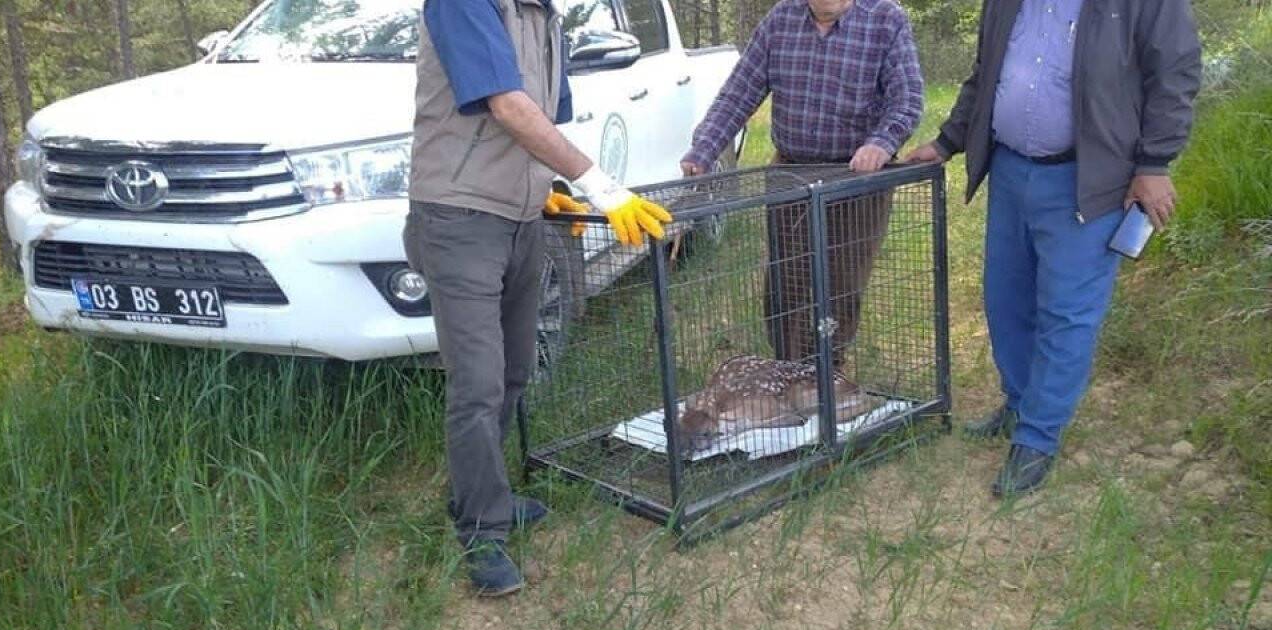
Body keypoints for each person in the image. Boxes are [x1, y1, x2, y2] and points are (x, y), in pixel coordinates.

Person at [409, 0, 672, 597]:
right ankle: (481, 529)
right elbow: (507, 106)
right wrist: (601, 187)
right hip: (459, 216)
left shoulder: (545, 17)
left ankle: (485, 492)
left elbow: (546, 119)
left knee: (517, 369)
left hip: (525, 216)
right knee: (477, 381)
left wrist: (550, 186)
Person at [906, 0, 1201, 497]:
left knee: (1067, 313)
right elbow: (986, 75)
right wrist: (946, 142)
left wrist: (1154, 163)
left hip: (1088, 181)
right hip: (1012, 171)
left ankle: (1037, 438)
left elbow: (1174, 73)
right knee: (1006, 301)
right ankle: (1020, 402)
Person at [681, 0, 923, 365]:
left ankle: (827, 369)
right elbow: (737, 94)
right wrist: (703, 150)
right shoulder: (781, 19)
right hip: (791, 173)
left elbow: (907, 99)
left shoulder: (886, 20)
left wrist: (880, 143)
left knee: (843, 282)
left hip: (855, 178)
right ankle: (788, 370)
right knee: (786, 283)